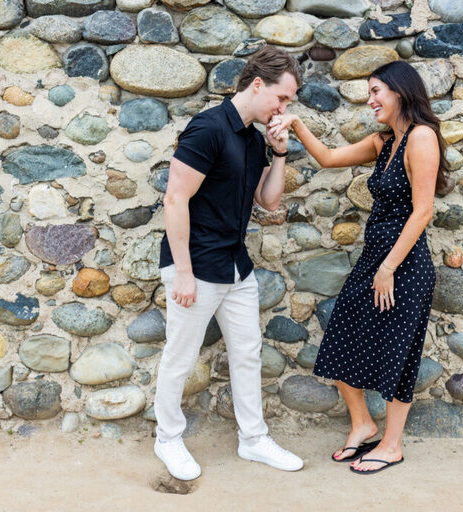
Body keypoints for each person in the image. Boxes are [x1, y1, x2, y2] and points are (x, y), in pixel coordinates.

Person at [269, 60, 445, 475]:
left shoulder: (422, 138)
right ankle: (363, 423)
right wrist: (295, 125)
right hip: (374, 260)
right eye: (369, 93)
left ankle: (392, 444)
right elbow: (329, 158)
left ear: (401, 92)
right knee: (341, 336)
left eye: (376, 92)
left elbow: (422, 213)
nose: (371, 101)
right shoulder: (384, 142)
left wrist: (388, 269)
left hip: (405, 264)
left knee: (398, 352)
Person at [153, 46, 305, 481]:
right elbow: (175, 198)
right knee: (180, 357)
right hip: (196, 265)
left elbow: (268, 201)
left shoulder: (254, 137)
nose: (283, 109)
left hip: (237, 266)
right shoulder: (208, 128)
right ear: (258, 85)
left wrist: (278, 153)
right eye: (282, 98)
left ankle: (253, 440)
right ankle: (168, 439)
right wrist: (182, 272)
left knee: (247, 354)